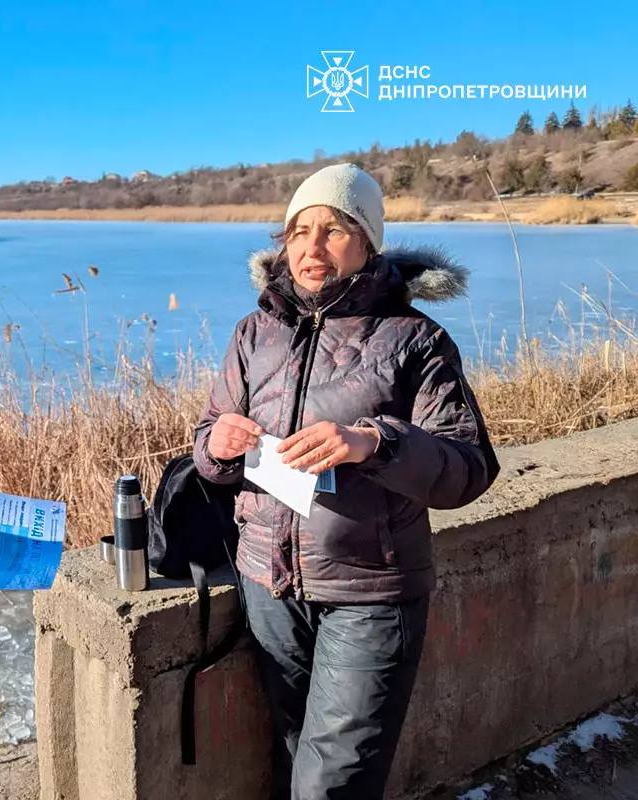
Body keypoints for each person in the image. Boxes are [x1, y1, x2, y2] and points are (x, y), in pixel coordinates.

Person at [192, 163, 499, 799]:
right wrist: (217, 444)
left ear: (368, 242)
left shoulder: (416, 340)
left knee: (333, 783)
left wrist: (373, 443)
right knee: (295, 756)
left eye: (333, 229)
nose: (311, 246)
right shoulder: (255, 331)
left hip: (371, 593)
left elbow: (468, 468)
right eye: (298, 230)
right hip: (268, 586)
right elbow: (207, 444)